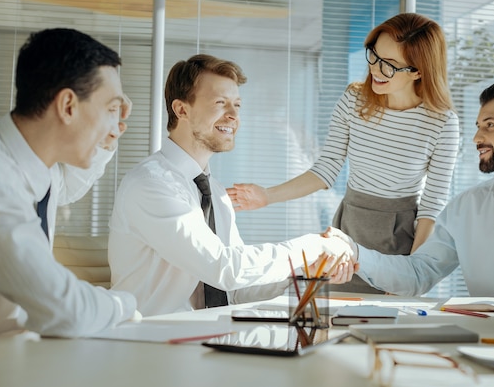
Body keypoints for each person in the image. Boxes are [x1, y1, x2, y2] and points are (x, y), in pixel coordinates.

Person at [227, 13, 460, 293]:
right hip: (349, 224)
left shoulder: (442, 122)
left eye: (389, 66)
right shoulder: (354, 100)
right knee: (336, 318)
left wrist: (409, 272)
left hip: (400, 238)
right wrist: (267, 196)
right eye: (374, 56)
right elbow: (326, 169)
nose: (375, 69)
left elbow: (431, 207)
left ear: (418, 71)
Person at [108, 54, 356, 316]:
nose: (233, 115)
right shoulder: (151, 185)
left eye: (237, 105)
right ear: (182, 110)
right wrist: (312, 247)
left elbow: (235, 290)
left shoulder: (213, 191)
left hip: (207, 337)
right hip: (152, 341)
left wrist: (308, 270)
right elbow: (224, 268)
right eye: (220, 103)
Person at [0, 28, 140, 341]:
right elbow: (68, 311)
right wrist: (126, 302)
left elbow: (65, 189)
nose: (116, 124)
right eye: (110, 110)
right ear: (67, 105)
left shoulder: (32, 162)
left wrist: (105, 137)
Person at [325, 81, 494, 301]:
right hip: (485, 342)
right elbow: (418, 273)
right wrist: (355, 252)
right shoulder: (466, 208)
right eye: (478, 126)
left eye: (490, 125)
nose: (477, 137)